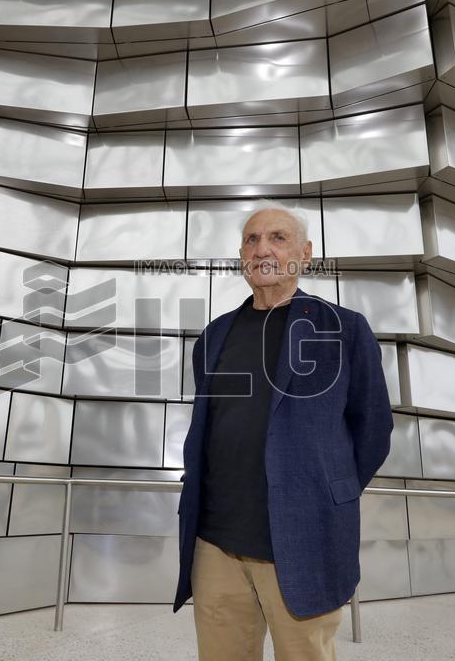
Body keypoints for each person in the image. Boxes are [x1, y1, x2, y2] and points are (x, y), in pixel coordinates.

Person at [172, 202, 394, 660]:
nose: (262, 249)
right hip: (215, 544)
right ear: (240, 257)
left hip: (303, 539)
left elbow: (373, 428)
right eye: (251, 240)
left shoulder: (345, 329)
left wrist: (328, 492)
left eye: (278, 238)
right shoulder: (214, 336)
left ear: (305, 254)